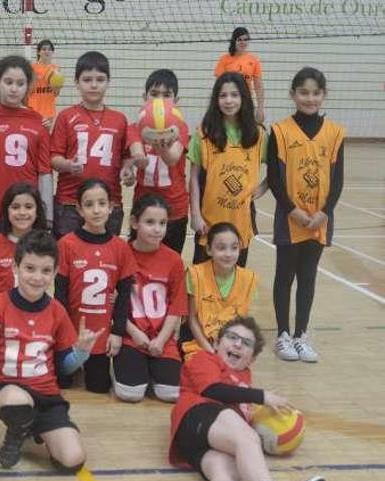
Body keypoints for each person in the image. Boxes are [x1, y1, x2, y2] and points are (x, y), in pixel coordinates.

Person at [0, 230, 100, 471]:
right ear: (15, 268)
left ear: (53, 272)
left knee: (72, 461)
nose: (37, 277)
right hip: (6, 392)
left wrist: (81, 353)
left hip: (47, 397)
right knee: (17, 401)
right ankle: (16, 434)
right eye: (30, 268)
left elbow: (63, 367)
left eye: (45, 270)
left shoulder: (57, 311)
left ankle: (30, 428)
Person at [169, 316, 327, 481]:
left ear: (252, 359)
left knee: (226, 474)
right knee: (247, 437)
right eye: (232, 337)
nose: (237, 344)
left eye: (246, 343)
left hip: (199, 445)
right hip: (195, 417)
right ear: (216, 344)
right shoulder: (206, 358)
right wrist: (261, 396)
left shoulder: (244, 380)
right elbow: (212, 390)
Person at [267, 67, 345, 363]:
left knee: (308, 277)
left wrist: (324, 213)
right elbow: (274, 179)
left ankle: (301, 335)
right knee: (285, 274)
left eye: (315, 93)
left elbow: (337, 180)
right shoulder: (280, 131)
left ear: (324, 95)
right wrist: (294, 211)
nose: (309, 98)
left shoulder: (335, 133)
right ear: (293, 94)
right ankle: (283, 335)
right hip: (290, 218)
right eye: (303, 92)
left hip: (320, 220)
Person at [55, 179, 136, 393]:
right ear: (80, 209)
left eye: (102, 203)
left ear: (111, 207)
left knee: (98, 388)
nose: (96, 210)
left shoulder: (120, 247)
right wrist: (62, 333)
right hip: (70, 332)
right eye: (89, 205)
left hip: (100, 336)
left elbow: (125, 294)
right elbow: (60, 293)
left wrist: (117, 333)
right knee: (62, 384)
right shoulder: (66, 244)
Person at [113, 194, 186, 403]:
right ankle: (135, 369)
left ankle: (154, 370)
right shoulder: (121, 253)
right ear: (135, 223)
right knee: (129, 394)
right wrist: (134, 333)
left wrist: (162, 340)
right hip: (131, 335)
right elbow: (113, 304)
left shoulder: (173, 260)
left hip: (161, 337)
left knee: (171, 394)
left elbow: (176, 307)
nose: (157, 229)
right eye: (150, 222)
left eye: (162, 223)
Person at [189, 72, 267, 267]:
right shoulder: (203, 133)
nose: (229, 100)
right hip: (209, 222)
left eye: (235, 95)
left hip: (241, 221)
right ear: (216, 100)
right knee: (202, 282)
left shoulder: (258, 134)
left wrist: (264, 186)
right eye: (223, 96)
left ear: (244, 98)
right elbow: (193, 179)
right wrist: (196, 215)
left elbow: (278, 167)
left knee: (235, 281)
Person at [51, 51, 131, 238]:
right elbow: (53, 157)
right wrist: (68, 165)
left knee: (106, 259)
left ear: (108, 82)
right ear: (76, 83)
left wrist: (128, 171)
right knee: (66, 258)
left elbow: (126, 157)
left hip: (108, 204)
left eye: (100, 79)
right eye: (87, 80)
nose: (94, 85)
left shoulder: (119, 120)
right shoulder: (66, 116)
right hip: (70, 203)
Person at [0, 55, 53, 237]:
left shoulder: (38, 122)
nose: (14, 89)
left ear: (28, 87)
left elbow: (44, 171)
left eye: (20, 84)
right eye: (8, 82)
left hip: (26, 212)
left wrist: (47, 214)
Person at [125, 69, 191, 255]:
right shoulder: (135, 127)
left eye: (166, 95)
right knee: (137, 262)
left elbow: (172, 159)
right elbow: (138, 154)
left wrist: (160, 146)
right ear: (144, 97)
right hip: (143, 210)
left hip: (174, 210)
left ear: (176, 101)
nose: (159, 100)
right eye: (154, 94)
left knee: (170, 261)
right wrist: (135, 165)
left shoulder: (180, 128)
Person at [180, 223, 258, 360]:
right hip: (199, 343)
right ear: (209, 250)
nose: (228, 254)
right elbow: (192, 320)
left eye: (234, 248)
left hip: (231, 345)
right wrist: (211, 351)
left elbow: (242, 322)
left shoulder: (248, 278)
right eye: (221, 248)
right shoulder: (195, 275)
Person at [0, 182, 48, 293]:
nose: (22, 212)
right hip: (1, 307)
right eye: (15, 207)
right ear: (6, 211)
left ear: (37, 211)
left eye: (28, 207)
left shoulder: (46, 243)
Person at [215, 27, 265, 123]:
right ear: (234, 41)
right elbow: (219, 85)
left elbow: (258, 86)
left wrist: (260, 108)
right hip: (230, 101)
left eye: (245, 39)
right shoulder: (224, 59)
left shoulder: (253, 60)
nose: (243, 42)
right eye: (239, 40)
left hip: (246, 101)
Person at [27, 39, 61, 130]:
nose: (47, 51)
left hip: (48, 109)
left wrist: (55, 83)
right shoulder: (32, 68)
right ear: (39, 52)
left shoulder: (55, 69)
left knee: (45, 137)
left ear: (52, 52)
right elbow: (28, 91)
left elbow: (56, 93)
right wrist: (34, 80)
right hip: (34, 107)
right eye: (44, 49)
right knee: (33, 134)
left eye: (49, 49)